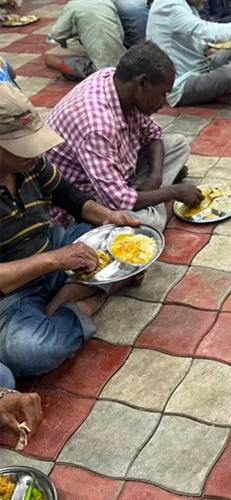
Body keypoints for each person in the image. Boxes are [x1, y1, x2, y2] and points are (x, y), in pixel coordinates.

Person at [0, 82, 144, 385]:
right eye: (21, 145)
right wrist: (55, 260)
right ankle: (87, 301)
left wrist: (108, 216)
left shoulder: (29, 163)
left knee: (134, 229)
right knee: (29, 349)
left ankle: (71, 294)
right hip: (14, 291)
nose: (35, 152)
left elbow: (69, 196)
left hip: (53, 246)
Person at [45, 42, 202, 233]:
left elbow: (152, 134)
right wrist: (172, 192)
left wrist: (155, 178)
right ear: (142, 83)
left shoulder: (117, 81)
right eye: (163, 94)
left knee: (178, 144)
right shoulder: (96, 125)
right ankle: (152, 202)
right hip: (85, 198)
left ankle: (147, 195)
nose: (164, 103)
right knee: (150, 223)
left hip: (116, 172)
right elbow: (118, 201)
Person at [147, 0, 231, 107]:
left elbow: (197, 40)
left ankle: (224, 89)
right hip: (180, 83)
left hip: (200, 67)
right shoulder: (169, 6)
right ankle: (221, 92)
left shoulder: (186, 5)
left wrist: (223, 41)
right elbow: (204, 30)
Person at [44, 0, 127, 81]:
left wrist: (72, 32)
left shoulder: (73, 5)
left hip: (102, 70)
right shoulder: (107, 2)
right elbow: (120, 33)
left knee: (50, 60)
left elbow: (57, 34)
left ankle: (87, 71)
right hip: (123, 61)